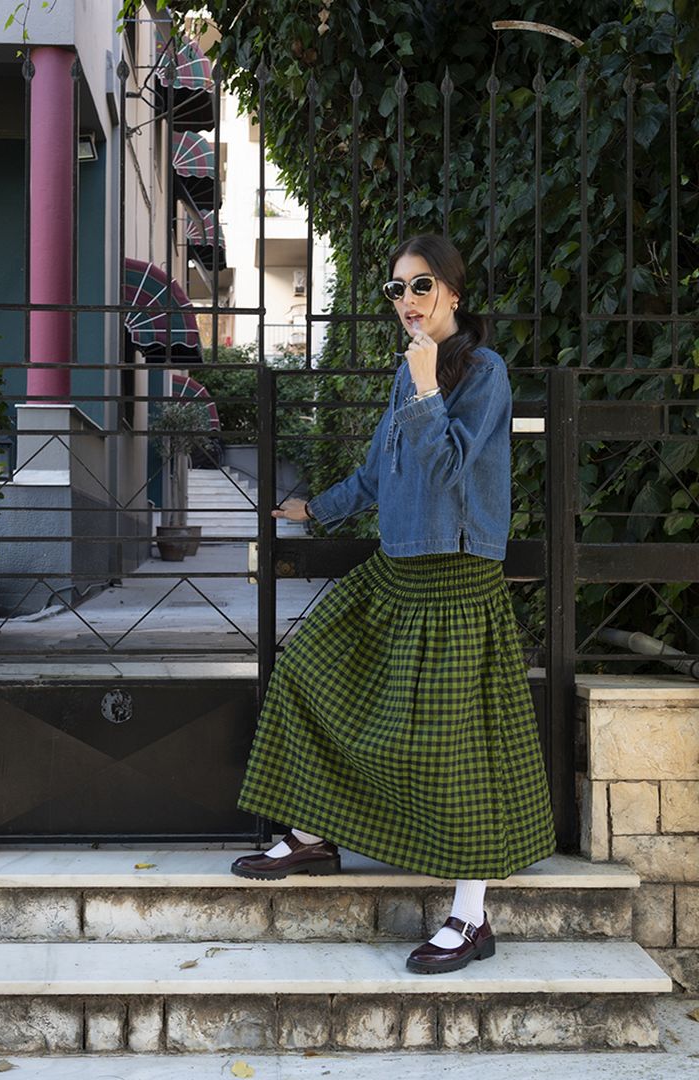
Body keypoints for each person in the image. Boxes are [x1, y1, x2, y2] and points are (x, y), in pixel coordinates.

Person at [231, 233, 556, 974]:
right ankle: (313, 833)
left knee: (457, 748)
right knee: (308, 671)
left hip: (456, 579)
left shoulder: (485, 374)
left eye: (421, 285)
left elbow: (446, 469)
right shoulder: (407, 373)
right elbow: (381, 472)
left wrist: (427, 384)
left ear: (453, 293)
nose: (407, 301)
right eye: (398, 289)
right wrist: (316, 509)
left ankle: (471, 917)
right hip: (397, 573)